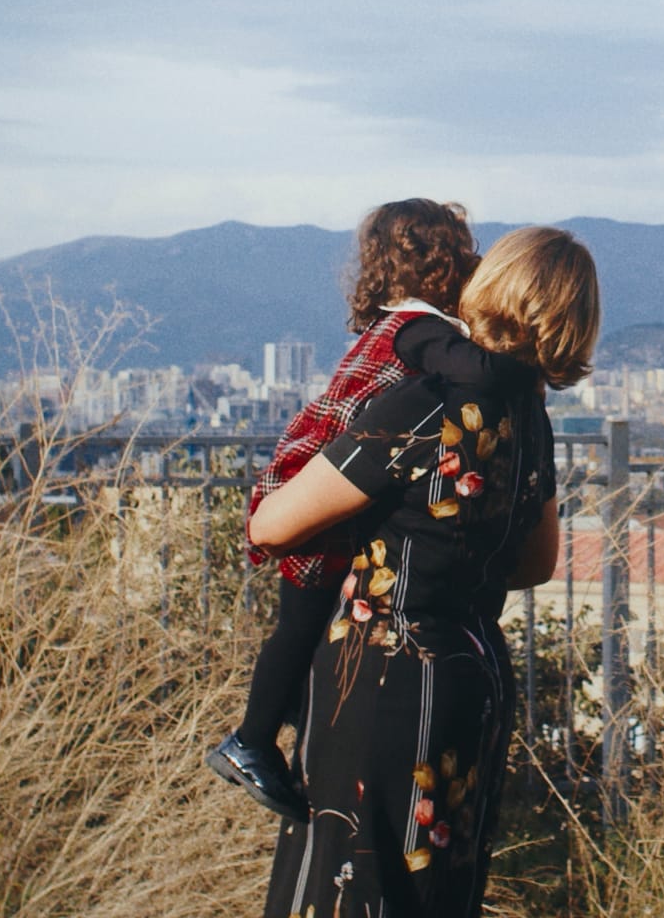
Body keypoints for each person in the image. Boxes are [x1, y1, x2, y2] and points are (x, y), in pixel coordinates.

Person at [250, 225, 597, 918]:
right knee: (435, 890)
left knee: (351, 880)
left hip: (382, 676)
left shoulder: (425, 404)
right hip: (473, 680)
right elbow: (537, 561)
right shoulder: (533, 417)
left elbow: (273, 525)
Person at [207, 199, 530, 821]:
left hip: (317, 486)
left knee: (309, 624)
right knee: (299, 627)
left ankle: (290, 740)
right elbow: (476, 373)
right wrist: (528, 363)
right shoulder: (420, 330)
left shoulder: (392, 324)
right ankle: (250, 741)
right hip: (315, 496)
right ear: (445, 263)